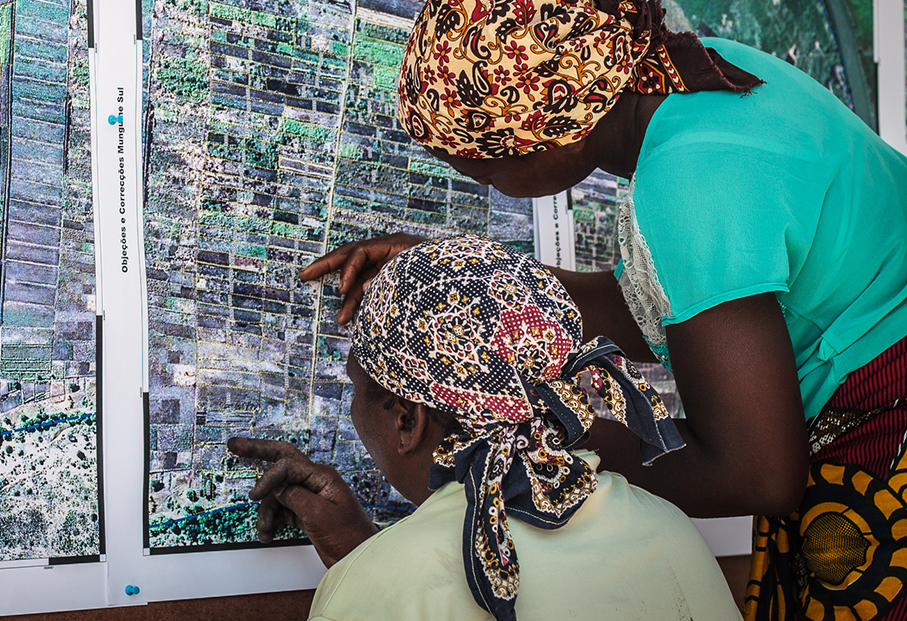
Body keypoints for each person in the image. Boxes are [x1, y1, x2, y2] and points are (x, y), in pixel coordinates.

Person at [293, 0, 907, 618]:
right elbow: (668, 304)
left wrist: (546, 439)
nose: (476, 180)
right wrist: (457, 284)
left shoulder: (690, 183)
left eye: (478, 167)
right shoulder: (691, 78)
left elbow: (759, 473)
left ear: (551, 137)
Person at [231, 236, 739, 620]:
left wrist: (367, 574)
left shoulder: (376, 591)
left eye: (358, 388)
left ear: (408, 419)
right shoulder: (670, 531)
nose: (353, 408)